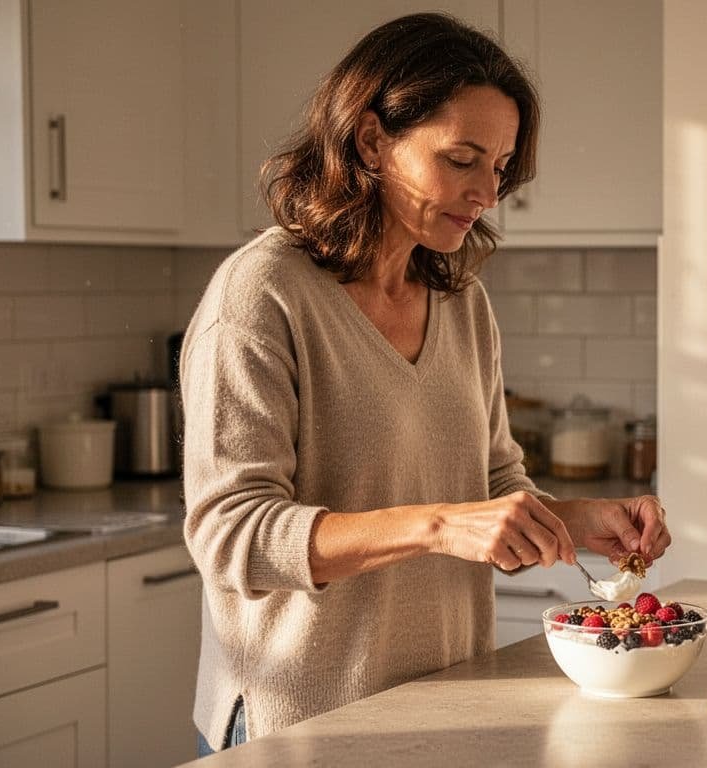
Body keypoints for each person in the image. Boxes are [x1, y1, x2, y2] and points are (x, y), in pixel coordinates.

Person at [181, 13, 669, 755]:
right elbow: (233, 537)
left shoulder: (460, 300)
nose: (486, 193)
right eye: (462, 159)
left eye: (500, 168)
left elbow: (494, 481)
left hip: (444, 703)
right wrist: (440, 525)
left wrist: (573, 520)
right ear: (373, 141)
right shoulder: (260, 294)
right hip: (303, 719)